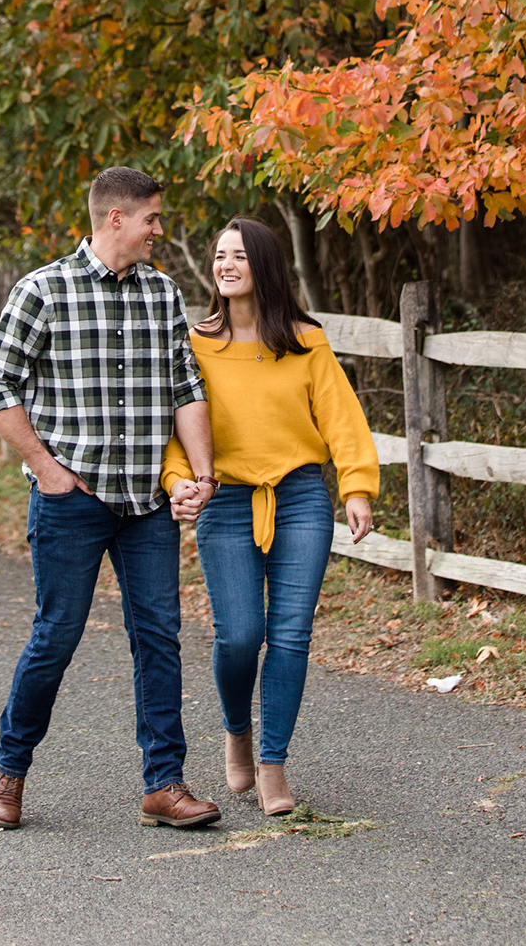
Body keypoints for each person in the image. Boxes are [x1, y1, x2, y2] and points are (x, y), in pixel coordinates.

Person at [0, 166, 221, 831]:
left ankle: (164, 786)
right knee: (56, 636)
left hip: (145, 506)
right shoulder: (43, 291)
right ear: (116, 219)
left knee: (159, 639)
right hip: (72, 501)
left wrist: (201, 473)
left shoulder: (163, 294)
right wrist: (44, 468)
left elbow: (184, 386)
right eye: (152, 220)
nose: (158, 232)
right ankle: (9, 767)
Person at [162, 216, 379, 816]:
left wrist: (357, 487)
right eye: (218, 256)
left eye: (238, 256)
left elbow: (342, 419)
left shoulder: (306, 341)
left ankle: (273, 764)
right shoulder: (194, 343)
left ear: (265, 265)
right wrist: (179, 481)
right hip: (227, 502)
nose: (225, 265)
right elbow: (179, 426)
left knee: (290, 635)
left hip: (302, 498)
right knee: (240, 635)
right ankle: (237, 731)